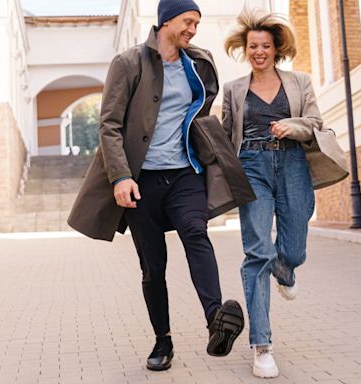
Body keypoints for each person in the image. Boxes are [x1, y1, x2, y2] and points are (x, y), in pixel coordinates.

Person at [68, 0, 245, 372]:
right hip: (141, 179)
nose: (193, 29)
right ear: (166, 21)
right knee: (153, 265)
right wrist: (120, 175)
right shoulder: (129, 62)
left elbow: (202, 109)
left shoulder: (197, 62)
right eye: (187, 21)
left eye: (197, 23)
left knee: (197, 233)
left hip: (185, 172)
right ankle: (162, 340)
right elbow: (109, 124)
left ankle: (216, 319)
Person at [222, 8, 322, 378]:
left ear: (276, 48)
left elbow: (315, 123)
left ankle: (286, 269)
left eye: (265, 45)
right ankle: (261, 345)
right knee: (256, 253)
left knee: (293, 247)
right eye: (253, 46)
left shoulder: (299, 83)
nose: (259, 51)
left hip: (293, 164)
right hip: (251, 168)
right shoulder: (234, 90)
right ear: (245, 49)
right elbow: (225, 135)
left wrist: (291, 127)